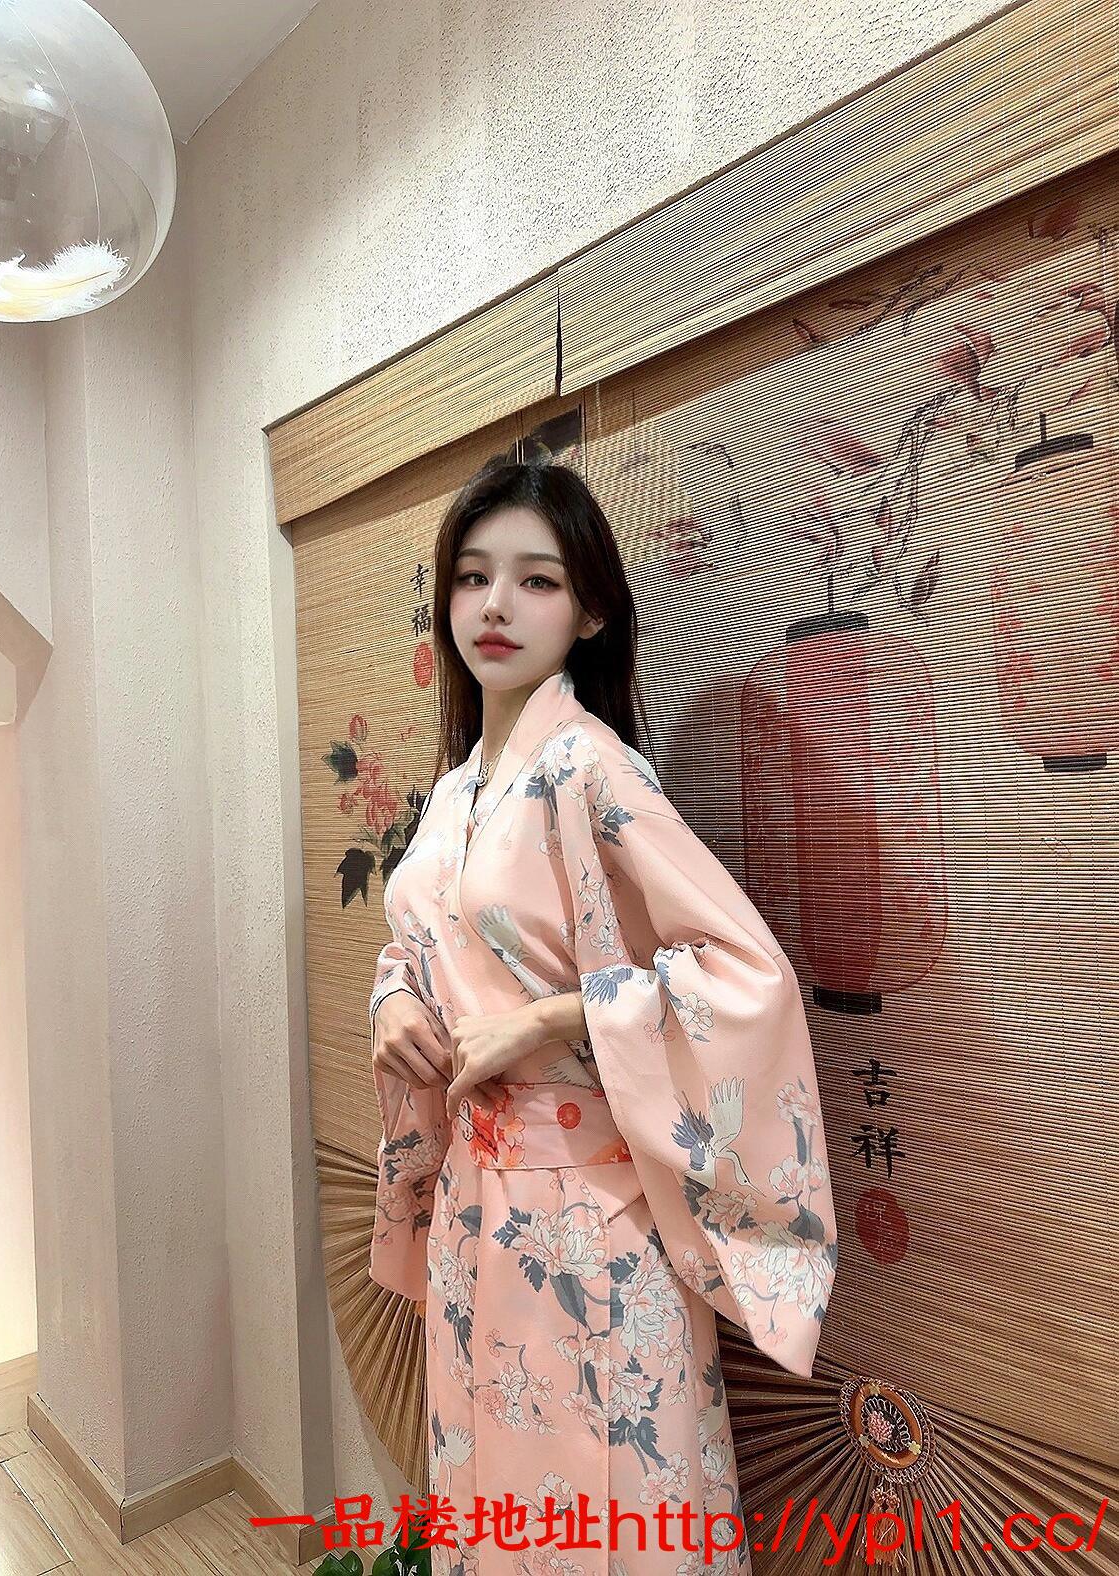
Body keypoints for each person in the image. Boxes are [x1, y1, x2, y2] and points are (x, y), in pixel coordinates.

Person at [367, 460, 838, 1576]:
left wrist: (548, 1019)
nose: (494, 604)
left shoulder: (591, 767)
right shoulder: (456, 790)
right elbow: (421, 939)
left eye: (536, 580)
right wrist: (393, 998)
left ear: (588, 612)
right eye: (472, 576)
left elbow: (744, 972)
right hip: (474, 1218)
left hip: (592, 1225)